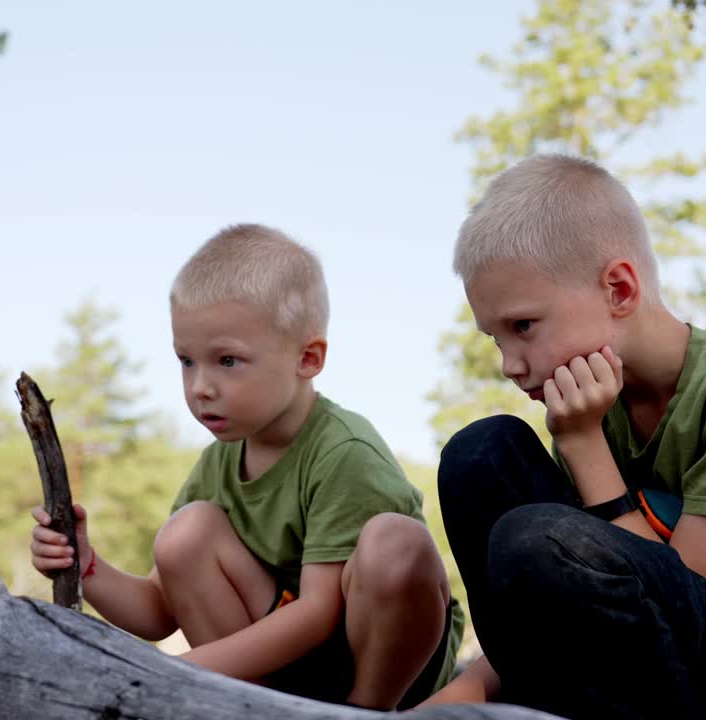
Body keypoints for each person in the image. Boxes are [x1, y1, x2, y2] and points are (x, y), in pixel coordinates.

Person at [421, 155, 706, 720]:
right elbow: (575, 589)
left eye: (524, 326)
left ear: (620, 289)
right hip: (644, 670)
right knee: (481, 454)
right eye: (495, 337)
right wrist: (461, 694)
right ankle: (538, 702)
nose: (509, 364)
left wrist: (583, 444)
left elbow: (686, 592)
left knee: (538, 536)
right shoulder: (595, 400)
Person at [30, 223, 463, 710]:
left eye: (227, 361)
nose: (200, 387)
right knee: (184, 535)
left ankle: (366, 714)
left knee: (395, 541)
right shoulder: (217, 466)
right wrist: (86, 564)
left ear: (308, 358)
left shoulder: (344, 452)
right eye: (187, 361)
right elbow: (158, 610)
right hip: (291, 674)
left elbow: (319, 613)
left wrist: (178, 673)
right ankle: (256, 706)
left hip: (383, 668)